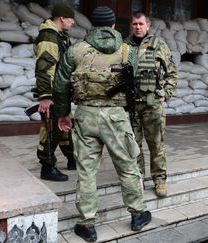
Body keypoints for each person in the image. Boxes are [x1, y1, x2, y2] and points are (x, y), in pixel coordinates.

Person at [52, 6, 151, 242]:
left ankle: (87, 224)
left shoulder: (75, 50)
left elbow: (60, 85)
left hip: (85, 115)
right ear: (114, 25)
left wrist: (63, 114)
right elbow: (134, 80)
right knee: (127, 165)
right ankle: (138, 214)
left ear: (92, 26)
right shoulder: (128, 50)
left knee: (86, 172)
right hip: (116, 116)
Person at [124, 11, 178, 197]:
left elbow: (172, 73)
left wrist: (166, 93)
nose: (137, 27)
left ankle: (160, 181)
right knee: (133, 146)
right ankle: (138, 178)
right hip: (130, 106)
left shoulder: (158, 45)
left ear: (147, 26)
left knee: (156, 145)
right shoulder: (124, 47)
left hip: (152, 106)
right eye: (134, 24)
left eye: (140, 24)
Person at [34, 2, 76, 182]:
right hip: (52, 93)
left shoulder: (60, 36)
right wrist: (45, 96)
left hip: (61, 92)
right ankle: (47, 167)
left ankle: (71, 158)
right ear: (62, 18)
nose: (73, 22)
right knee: (52, 129)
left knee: (65, 126)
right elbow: (44, 68)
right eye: (71, 19)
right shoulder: (49, 37)